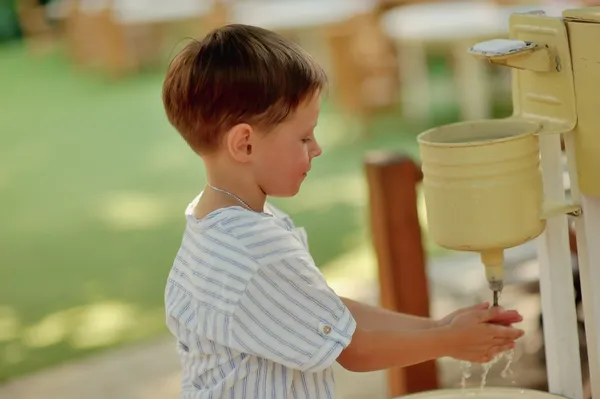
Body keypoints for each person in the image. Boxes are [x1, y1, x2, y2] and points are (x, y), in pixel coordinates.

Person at [161, 24, 525, 398]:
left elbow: (328, 312)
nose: (316, 148)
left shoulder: (213, 223)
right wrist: (449, 342)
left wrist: (438, 327)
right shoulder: (256, 248)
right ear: (245, 144)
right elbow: (355, 349)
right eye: (304, 137)